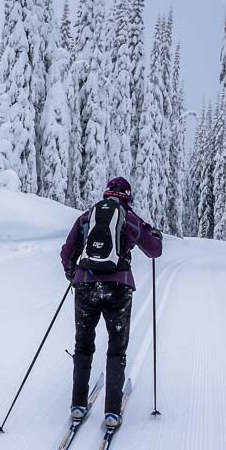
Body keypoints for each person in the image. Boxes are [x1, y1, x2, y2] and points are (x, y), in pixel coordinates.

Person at [59, 177, 163, 429]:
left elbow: (67, 252)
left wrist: (74, 275)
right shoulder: (129, 218)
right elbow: (154, 250)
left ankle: (78, 405)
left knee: (83, 344)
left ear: (107, 194)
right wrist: (154, 235)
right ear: (128, 197)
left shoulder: (87, 216)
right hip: (118, 288)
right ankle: (112, 412)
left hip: (86, 286)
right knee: (117, 348)